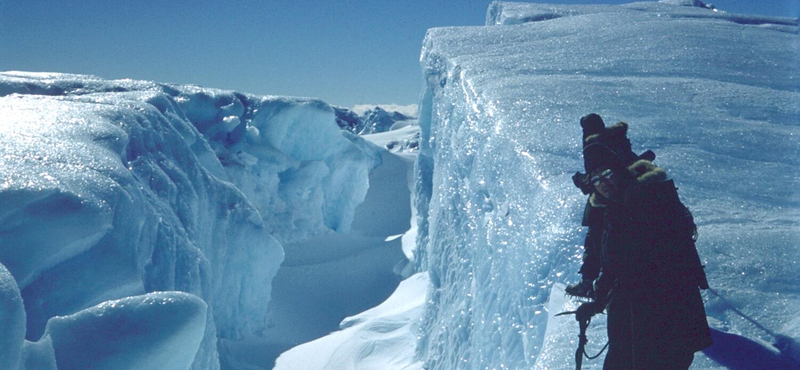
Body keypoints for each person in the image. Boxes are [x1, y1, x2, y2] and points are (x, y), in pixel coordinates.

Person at [573, 118, 714, 369]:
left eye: (606, 174)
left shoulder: (652, 199)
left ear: (619, 170)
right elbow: (614, 264)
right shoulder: (612, 211)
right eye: (595, 179)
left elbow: (667, 255)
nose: (602, 183)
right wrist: (598, 301)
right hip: (631, 316)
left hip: (666, 315)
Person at [566, 114, 653, 298]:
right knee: (598, 238)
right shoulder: (615, 139)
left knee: (598, 238)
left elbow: (601, 170)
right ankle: (594, 283)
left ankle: (590, 283)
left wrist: (586, 181)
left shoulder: (597, 142)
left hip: (610, 199)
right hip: (606, 195)